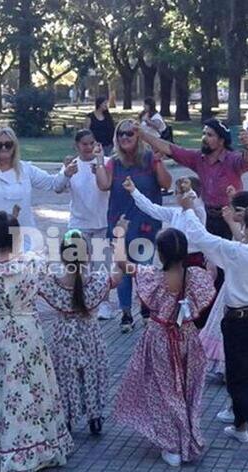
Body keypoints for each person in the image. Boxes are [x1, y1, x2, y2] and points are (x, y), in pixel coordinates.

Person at [0, 211, 74, 472]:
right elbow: (58, 286)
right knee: (32, 387)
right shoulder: (33, 263)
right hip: (25, 331)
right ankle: (35, 447)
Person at [181, 198, 248, 468]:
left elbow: (200, 237)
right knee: (247, 374)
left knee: (237, 382)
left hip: (238, 322)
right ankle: (240, 427)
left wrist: (189, 210)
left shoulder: (238, 253)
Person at [112, 227, 216, 467]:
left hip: (160, 339)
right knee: (186, 391)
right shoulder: (196, 276)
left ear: (160, 252)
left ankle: (172, 444)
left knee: (163, 392)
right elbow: (212, 272)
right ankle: (188, 436)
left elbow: (120, 261)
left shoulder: (153, 277)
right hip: (188, 338)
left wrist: (119, 234)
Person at [38, 225, 127, 435]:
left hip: (63, 337)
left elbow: (36, 279)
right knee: (92, 374)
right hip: (90, 334)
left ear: (62, 256)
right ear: (87, 255)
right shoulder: (97, 280)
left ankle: (67, 419)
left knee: (66, 376)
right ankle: (94, 417)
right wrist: (120, 240)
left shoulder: (52, 283)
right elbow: (118, 273)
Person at [95, 119, 172, 333]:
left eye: (130, 133)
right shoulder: (113, 162)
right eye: (121, 134)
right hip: (119, 224)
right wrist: (99, 161)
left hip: (145, 225)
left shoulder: (150, 159)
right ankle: (126, 313)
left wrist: (160, 162)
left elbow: (167, 184)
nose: (125, 137)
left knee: (143, 269)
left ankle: (146, 309)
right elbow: (103, 185)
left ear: (138, 136)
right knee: (122, 268)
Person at [137, 119, 248, 241]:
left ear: (221, 141)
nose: (204, 138)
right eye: (204, 133)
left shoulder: (232, 158)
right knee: (209, 256)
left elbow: (247, 162)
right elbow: (171, 149)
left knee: (232, 255)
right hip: (207, 216)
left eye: (209, 135)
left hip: (231, 218)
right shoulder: (199, 158)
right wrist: (143, 135)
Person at [200, 188, 248, 382]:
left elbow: (241, 242)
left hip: (238, 288)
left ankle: (233, 368)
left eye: (234, 209)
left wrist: (228, 221)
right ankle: (228, 367)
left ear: (243, 213)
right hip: (237, 284)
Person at [56, 130, 113, 319]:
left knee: (101, 266)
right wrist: (66, 173)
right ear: (76, 146)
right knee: (77, 265)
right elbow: (57, 187)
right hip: (79, 223)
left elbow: (109, 185)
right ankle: (78, 300)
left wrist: (100, 166)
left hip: (102, 222)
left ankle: (103, 303)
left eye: (92, 143)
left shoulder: (105, 163)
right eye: (84, 144)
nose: (88, 147)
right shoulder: (72, 165)